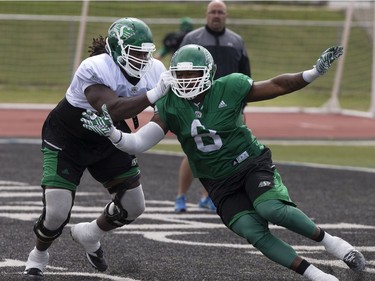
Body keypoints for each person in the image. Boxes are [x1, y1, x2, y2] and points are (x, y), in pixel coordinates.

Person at [81, 44, 366, 281]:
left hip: (250, 163)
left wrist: (314, 72)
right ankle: (317, 275)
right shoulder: (170, 104)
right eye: (181, 74)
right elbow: (139, 142)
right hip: (217, 182)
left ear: (209, 73)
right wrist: (113, 133)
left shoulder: (229, 87)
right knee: (252, 231)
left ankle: (335, 244)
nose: (187, 79)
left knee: (270, 208)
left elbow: (278, 85)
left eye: (194, 73)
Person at [22, 17, 172, 278]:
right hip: (69, 136)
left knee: (134, 206)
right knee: (56, 213)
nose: (141, 61)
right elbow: (111, 108)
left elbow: (165, 112)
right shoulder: (95, 67)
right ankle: (38, 254)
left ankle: (91, 233)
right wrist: (153, 94)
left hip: (107, 134)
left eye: (144, 54)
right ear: (116, 50)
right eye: (134, 54)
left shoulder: (154, 69)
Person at [176, 0, 251, 212]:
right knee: (193, 152)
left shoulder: (236, 41)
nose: (216, 15)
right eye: (212, 12)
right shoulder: (192, 39)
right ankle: (181, 196)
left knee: (222, 152)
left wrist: (241, 106)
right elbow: (179, 70)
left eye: (220, 12)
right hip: (198, 104)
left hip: (227, 106)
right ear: (206, 14)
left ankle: (207, 197)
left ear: (226, 15)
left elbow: (246, 76)